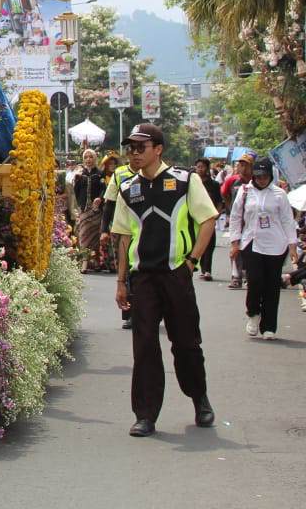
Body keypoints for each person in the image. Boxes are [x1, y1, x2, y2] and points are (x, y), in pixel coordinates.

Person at [111, 123, 218, 437]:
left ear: (158, 149)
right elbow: (122, 237)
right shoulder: (128, 188)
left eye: (140, 147)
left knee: (186, 343)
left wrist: (191, 261)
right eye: (130, 147)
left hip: (176, 276)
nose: (134, 153)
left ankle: (199, 398)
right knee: (144, 346)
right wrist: (120, 282)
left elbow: (208, 219)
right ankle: (145, 414)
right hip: (143, 278)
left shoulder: (186, 181)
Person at [228, 157, 299, 339]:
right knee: (255, 282)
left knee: (271, 286)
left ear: (270, 176)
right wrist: (235, 242)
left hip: (276, 245)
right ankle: (253, 313)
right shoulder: (244, 192)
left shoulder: (279, 194)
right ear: (253, 175)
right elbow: (236, 216)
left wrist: (292, 246)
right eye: (258, 176)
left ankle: (269, 327)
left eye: (265, 176)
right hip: (251, 242)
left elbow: (287, 220)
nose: (261, 180)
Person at [101, 152, 138, 328]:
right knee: (127, 271)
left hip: (145, 230)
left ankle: (148, 309)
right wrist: (104, 230)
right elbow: (109, 203)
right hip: (123, 230)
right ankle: (130, 313)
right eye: (133, 150)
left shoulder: (152, 173)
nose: (137, 154)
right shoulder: (120, 174)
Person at [221, 153, 255, 289]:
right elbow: (224, 194)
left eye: (246, 165)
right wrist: (230, 211)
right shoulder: (232, 181)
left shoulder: (256, 181)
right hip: (237, 220)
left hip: (252, 220)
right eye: (241, 164)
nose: (242, 168)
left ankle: (248, 275)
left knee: (249, 248)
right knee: (235, 247)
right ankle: (236, 276)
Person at [73, 149, 105, 271]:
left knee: (96, 236)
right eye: (86, 157)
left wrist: (100, 198)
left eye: (90, 157)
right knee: (83, 235)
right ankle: (85, 262)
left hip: (96, 210)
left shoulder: (100, 173)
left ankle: (96, 260)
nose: (88, 159)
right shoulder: (81, 174)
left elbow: (104, 188)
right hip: (84, 209)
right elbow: (76, 191)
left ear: (95, 158)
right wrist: (77, 180)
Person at [193, 158, 224, 280]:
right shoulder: (193, 183)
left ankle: (207, 271)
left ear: (207, 168)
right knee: (199, 244)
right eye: (198, 167)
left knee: (209, 244)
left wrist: (217, 213)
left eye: (202, 167)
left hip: (209, 217)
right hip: (196, 218)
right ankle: (202, 268)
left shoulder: (214, 184)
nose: (200, 169)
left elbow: (219, 201)